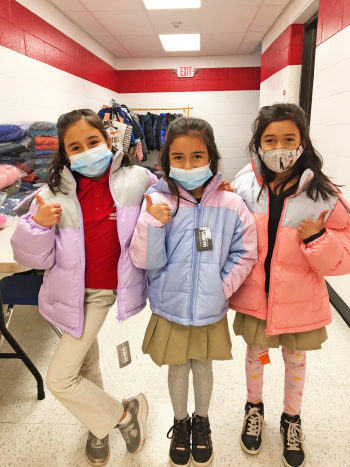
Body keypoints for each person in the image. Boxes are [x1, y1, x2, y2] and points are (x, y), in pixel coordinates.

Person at [11, 109, 158, 466]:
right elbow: (32, 258)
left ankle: (123, 415)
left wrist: (219, 193)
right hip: (65, 295)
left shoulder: (139, 179)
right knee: (85, 362)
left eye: (92, 142)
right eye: (75, 147)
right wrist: (38, 226)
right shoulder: (52, 193)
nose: (86, 150)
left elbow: (177, 202)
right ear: (65, 152)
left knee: (60, 378)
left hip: (102, 294)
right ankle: (102, 421)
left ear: (108, 141)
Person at [130, 117, 258, 467]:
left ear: (212, 157)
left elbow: (244, 252)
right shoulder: (158, 200)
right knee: (176, 367)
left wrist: (222, 287)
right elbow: (144, 259)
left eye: (197, 156)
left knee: (202, 365)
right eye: (179, 157)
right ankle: (180, 421)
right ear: (167, 158)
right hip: (169, 306)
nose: (188, 165)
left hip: (210, 307)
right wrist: (153, 223)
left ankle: (202, 423)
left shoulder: (231, 205)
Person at [230, 103, 350, 467]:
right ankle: (254, 409)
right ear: (258, 143)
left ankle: (291, 418)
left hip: (298, 300)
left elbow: (344, 253)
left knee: (295, 360)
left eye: (288, 138)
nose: (279, 148)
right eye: (270, 139)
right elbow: (227, 230)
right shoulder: (244, 183)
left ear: (302, 142)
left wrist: (318, 239)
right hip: (256, 296)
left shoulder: (323, 192)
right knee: (256, 355)